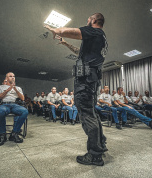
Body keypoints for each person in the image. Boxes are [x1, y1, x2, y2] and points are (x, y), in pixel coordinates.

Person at [45, 13, 108, 166]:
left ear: (93, 20)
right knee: (92, 113)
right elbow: (79, 53)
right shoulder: (99, 39)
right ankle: (101, 145)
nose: (87, 21)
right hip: (92, 81)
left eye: (88, 19)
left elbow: (76, 31)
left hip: (85, 82)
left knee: (87, 115)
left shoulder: (95, 31)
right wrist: (65, 43)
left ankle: (95, 155)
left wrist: (57, 30)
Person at [0, 72, 28, 146]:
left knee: (25, 111)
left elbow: (22, 98)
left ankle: (14, 133)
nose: (12, 77)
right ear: (6, 78)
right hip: (4, 104)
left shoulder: (18, 88)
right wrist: (7, 90)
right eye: (10, 76)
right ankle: (2, 135)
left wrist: (14, 88)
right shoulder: (0, 87)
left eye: (14, 76)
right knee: (0, 111)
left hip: (14, 105)